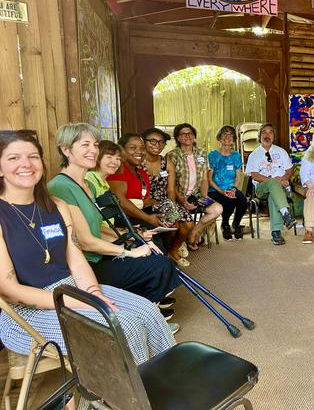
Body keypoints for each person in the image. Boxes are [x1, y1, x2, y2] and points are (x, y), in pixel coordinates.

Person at [0, 129, 176, 369]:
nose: (26, 164)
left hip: (73, 287)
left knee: (148, 312)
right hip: (25, 314)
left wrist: (93, 292)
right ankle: (137, 390)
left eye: (33, 156)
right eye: (13, 158)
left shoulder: (56, 206)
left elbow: (76, 259)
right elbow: (10, 292)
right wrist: (81, 302)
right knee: (125, 327)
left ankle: (166, 379)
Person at [48, 124, 180, 323]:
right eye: (85, 145)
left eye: (95, 144)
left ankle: (143, 314)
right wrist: (129, 252)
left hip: (99, 257)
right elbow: (85, 241)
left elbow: (98, 228)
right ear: (66, 150)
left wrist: (132, 237)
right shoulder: (60, 187)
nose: (93, 150)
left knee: (158, 257)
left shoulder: (88, 185)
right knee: (157, 266)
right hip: (84, 267)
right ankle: (143, 317)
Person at [166, 123, 222, 250]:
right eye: (183, 134)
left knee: (217, 209)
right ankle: (181, 240)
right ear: (177, 138)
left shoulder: (202, 153)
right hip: (178, 196)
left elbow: (204, 179)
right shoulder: (172, 155)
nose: (187, 136)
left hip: (196, 195)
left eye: (190, 133)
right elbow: (171, 184)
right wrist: (182, 200)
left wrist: (204, 196)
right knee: (181, 220)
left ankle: (193, 233)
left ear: (194, 136)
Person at [142, 127, 194, 264]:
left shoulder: (167, 162)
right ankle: (164, 251)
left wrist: (171, 208)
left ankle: (173, 249)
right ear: (144, 142)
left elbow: (171, 189)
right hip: (144, 202)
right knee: (172, 223)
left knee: (188, 223)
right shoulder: (138, 162)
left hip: (164, 201)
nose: (157, 145)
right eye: (153, 141)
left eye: (161, 142)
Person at [245, 123, 296, 246]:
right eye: (264, 132)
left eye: (270, 132)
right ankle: (285, 215)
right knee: (272, 183)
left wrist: (284, 178)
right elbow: (255, 175)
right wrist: (275, 180)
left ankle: (277, 232)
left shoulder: (281, 151)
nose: (267, 135)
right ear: (259, 137)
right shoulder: (254, 155)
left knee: (273, 194)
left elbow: (290, 170)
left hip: (281, 187)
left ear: (274, 136)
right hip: (261, 188)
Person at [207, 125, 247, 241]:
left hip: (231, 188)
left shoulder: (236, 156)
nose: (227, 138)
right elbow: (209, 179)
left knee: (242, 201)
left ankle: (236, 224)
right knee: (228, 203)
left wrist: (233, 189)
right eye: (224, 135)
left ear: (234, 139)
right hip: (215, 189)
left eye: (230, 135)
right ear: (219, 138)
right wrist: (221, 191)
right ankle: (225, 225)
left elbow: (238, 177)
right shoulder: (213, 155)